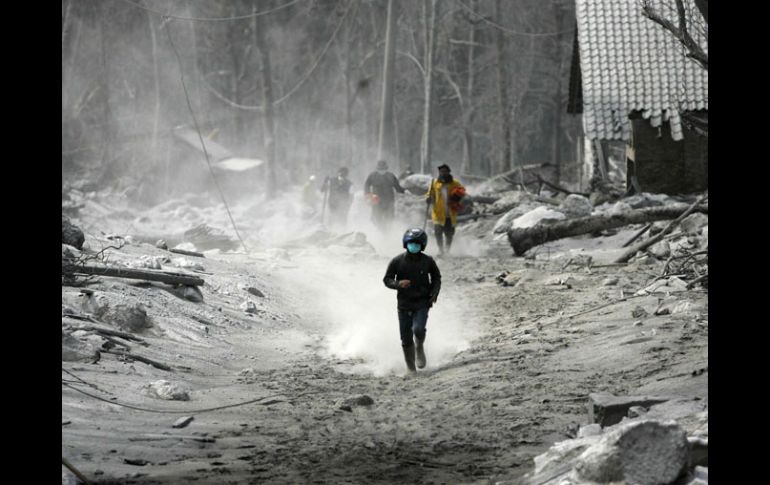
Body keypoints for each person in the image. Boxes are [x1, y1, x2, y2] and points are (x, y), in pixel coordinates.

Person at [383, 228, 441, 372]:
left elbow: (436, 278)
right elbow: (387, 279)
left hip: (422, 302)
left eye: (417, 243)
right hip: (403, 304)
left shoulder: (428, 261)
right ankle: (411, 368)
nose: (414, 246)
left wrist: (434, 292)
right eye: (411, 243)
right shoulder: (397, 261)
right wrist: (398, 284)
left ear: (422, 245)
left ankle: (419, 346)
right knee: (405, 338)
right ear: (405, 243)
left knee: (418, 329)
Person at [425, 164, 466, 255]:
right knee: (438, 232)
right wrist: (428, 198)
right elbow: (429, 194)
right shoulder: (434, 183)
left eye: (445, 172)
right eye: (441, 172)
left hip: (450, 213)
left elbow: (462, 192)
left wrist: (458, 200)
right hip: (438, 213)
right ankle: (440, 250)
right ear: (439, 172)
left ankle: (447, 250)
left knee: (449, 233)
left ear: (448, 172)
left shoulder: (455, 183)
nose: (443, 173)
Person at [364, 160, 406, 232]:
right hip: (376, 200)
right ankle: (379, 230)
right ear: (377, 169)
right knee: (376, 218)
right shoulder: (372, 176)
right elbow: (367, 185)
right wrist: (368, 195)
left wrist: (404, 191)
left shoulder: (391, 176)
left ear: (386, 168)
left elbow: (397, 187)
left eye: (383, 169)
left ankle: (387, 232)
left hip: (389, 200)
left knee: (389, 218)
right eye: (380, 169)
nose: (382, 170)